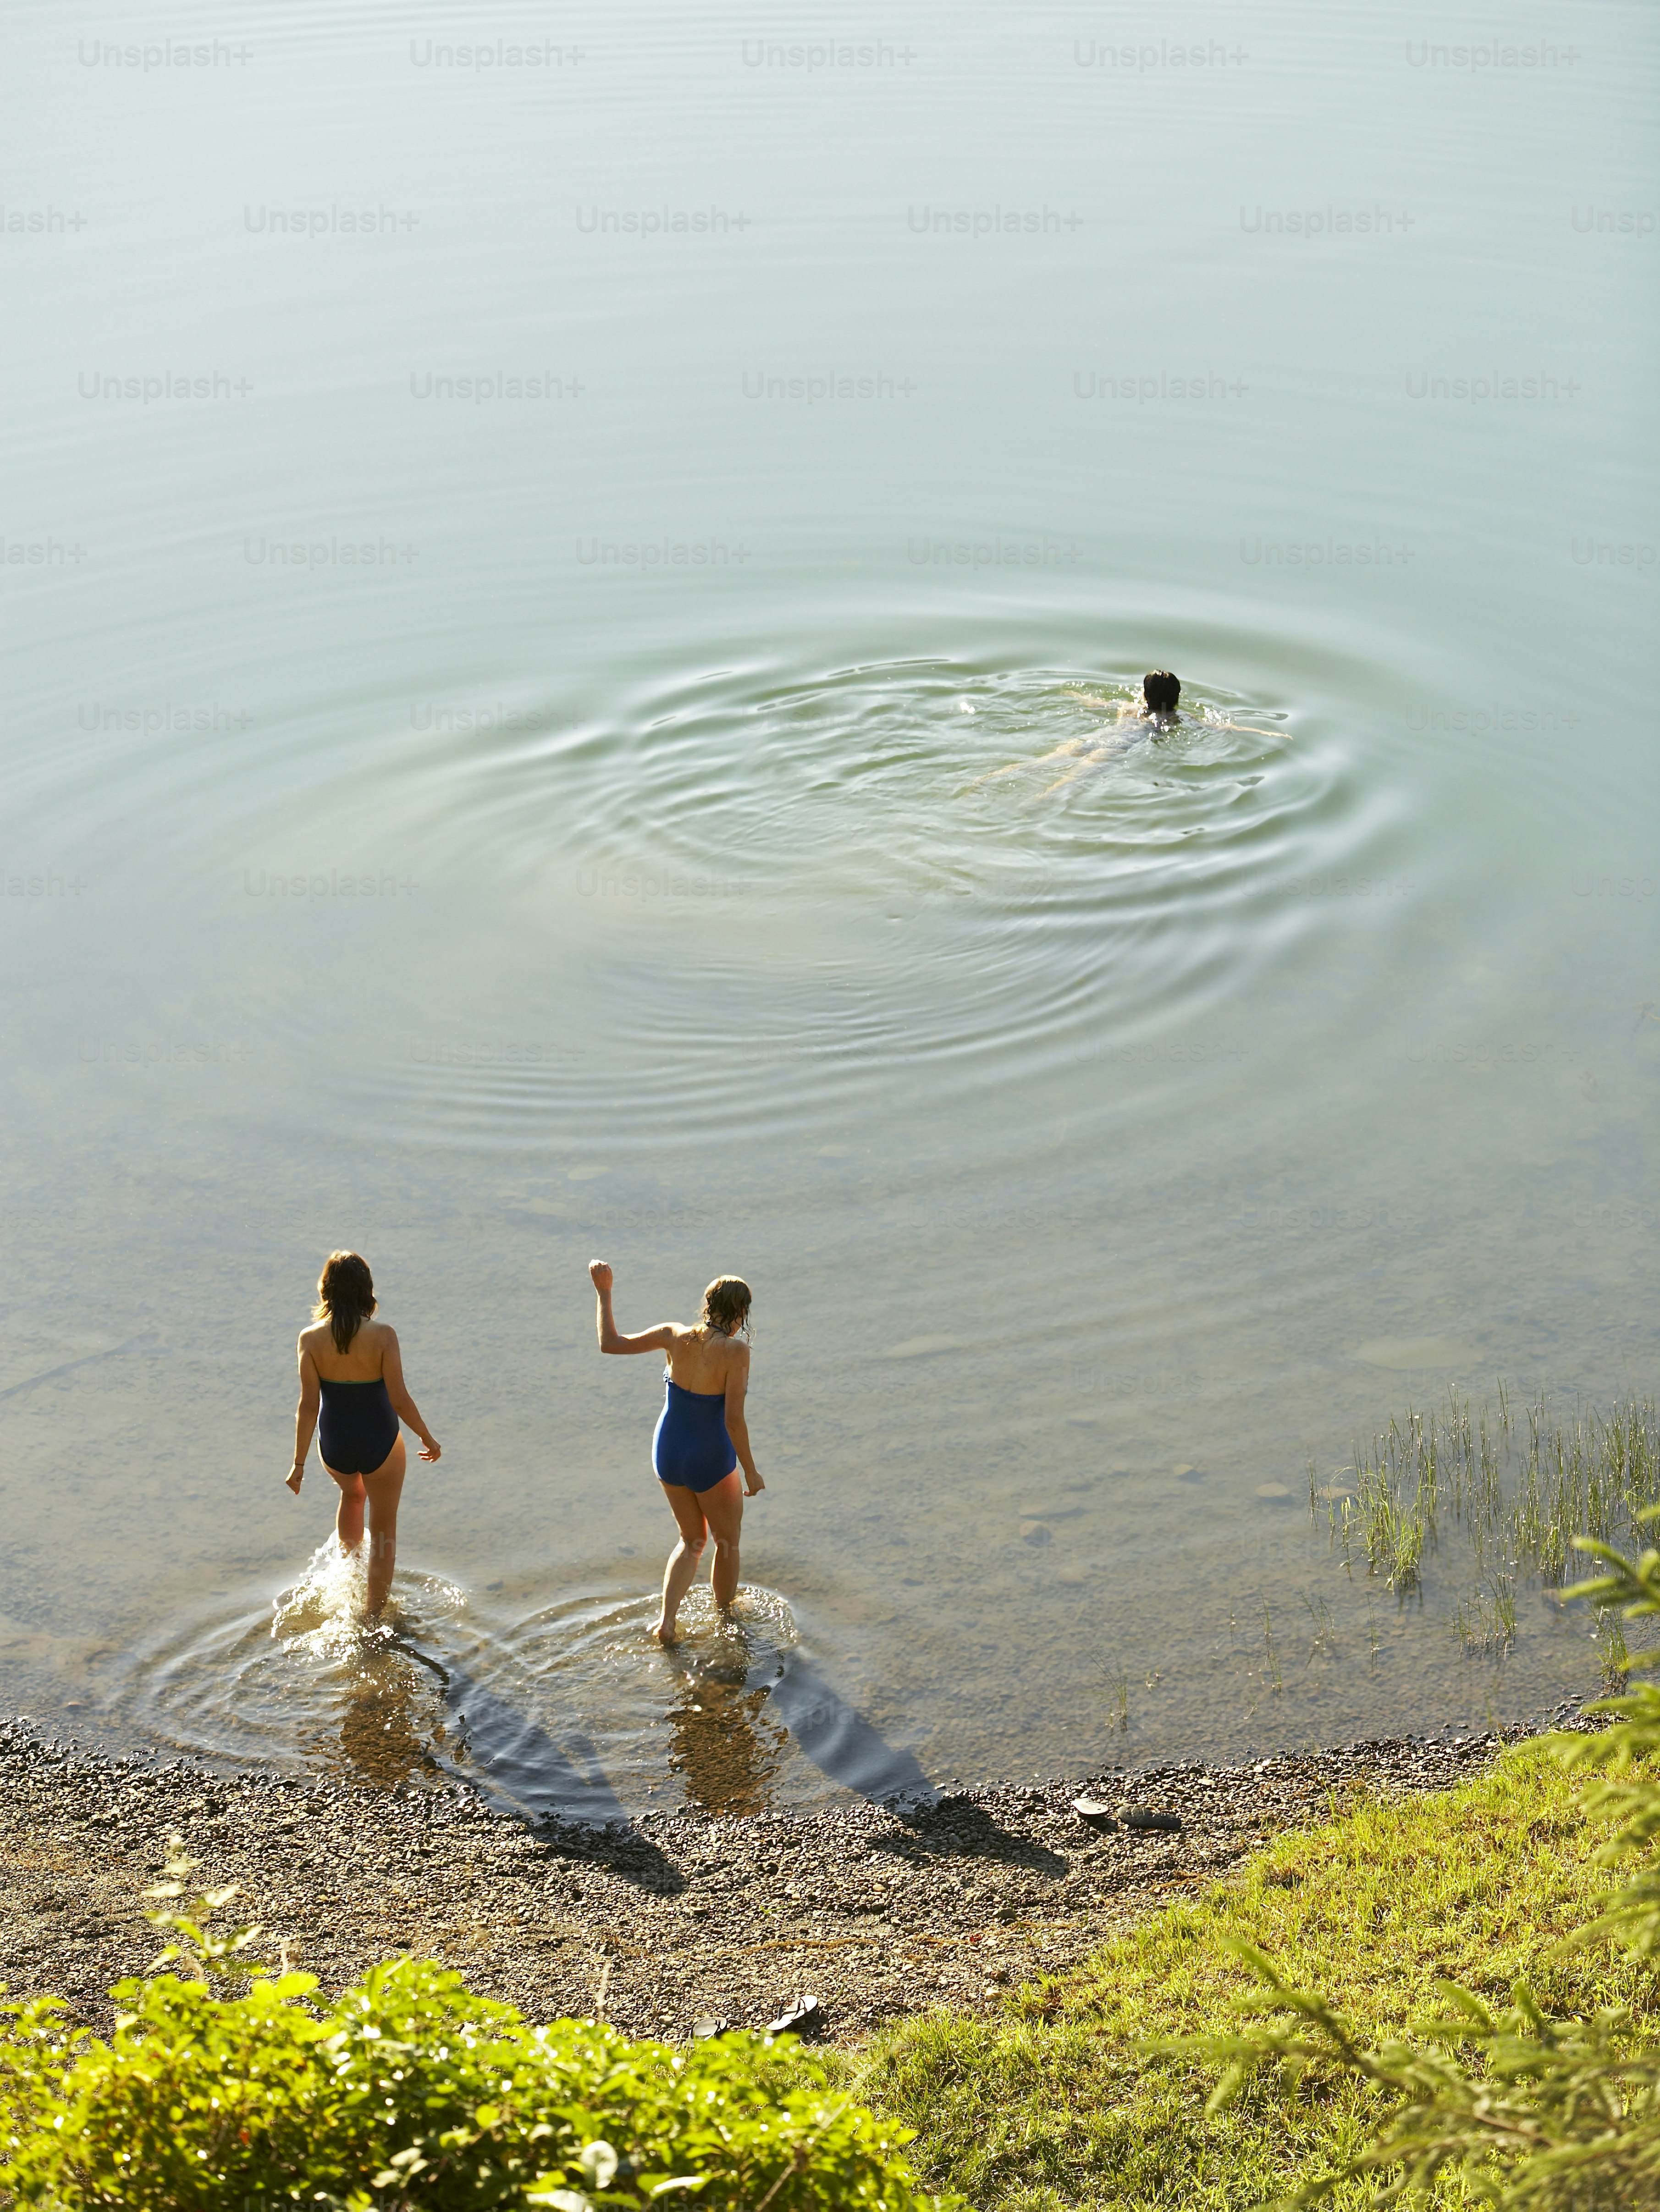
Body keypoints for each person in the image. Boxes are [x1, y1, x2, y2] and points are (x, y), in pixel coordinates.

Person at [588, 1259, 764, 1645]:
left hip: (667, 1451)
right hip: (708, 1455)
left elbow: (610, 1344)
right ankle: (726, 1621)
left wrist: (604, 1293)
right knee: (727, 1541)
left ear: (706, 1305)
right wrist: (751, 1471)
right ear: (739, 1313)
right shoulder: (736, 1352)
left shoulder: (673, 1335)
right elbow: (734, 1420)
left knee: (690, 1541)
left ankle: (666, 1624)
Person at [285, 1251, 441, 1618]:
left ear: (326, 1291)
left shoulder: (309, 1339)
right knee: (384, 1529)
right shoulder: (383, 1335)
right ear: (366, 1292)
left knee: (352, 1495)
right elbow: (399, 1400)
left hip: (334, 1444)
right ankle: (371, 1616)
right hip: (380, 1443)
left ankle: (350, 1576)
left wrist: (298, 1463)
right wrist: (427, 1438)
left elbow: (308, 1406)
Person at [966, 669, 1285, 795]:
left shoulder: (1128, 708)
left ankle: (985, 780)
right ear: (1176, 697)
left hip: (1096, 739)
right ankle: (1034, 803)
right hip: (1115, 750)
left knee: (1039, 763)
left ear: (1144, 696)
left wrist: (1072, 695)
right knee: (1067, 782)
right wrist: (1269, 734)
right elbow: (1223, 727)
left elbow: (1095, 703)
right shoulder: (1176, 719)